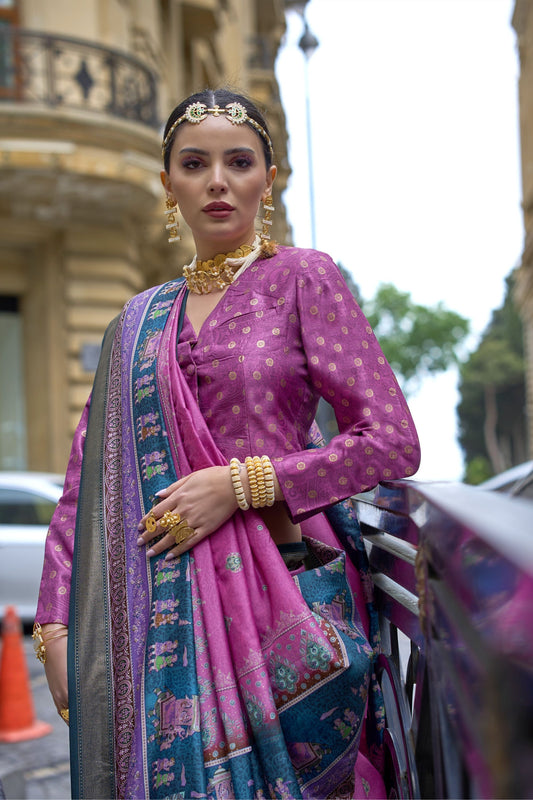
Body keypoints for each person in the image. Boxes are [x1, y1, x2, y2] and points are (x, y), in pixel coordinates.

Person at [34, 88, 420, 800]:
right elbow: (84, 481)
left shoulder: (303, 279)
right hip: (155, 611)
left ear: (265, 179)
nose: (216, 180)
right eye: (194, 163)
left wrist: (244, 484)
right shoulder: (137, 321)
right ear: (168, 184)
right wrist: (56, 625)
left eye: (238, 162)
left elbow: (391, 444)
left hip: (284, 590)